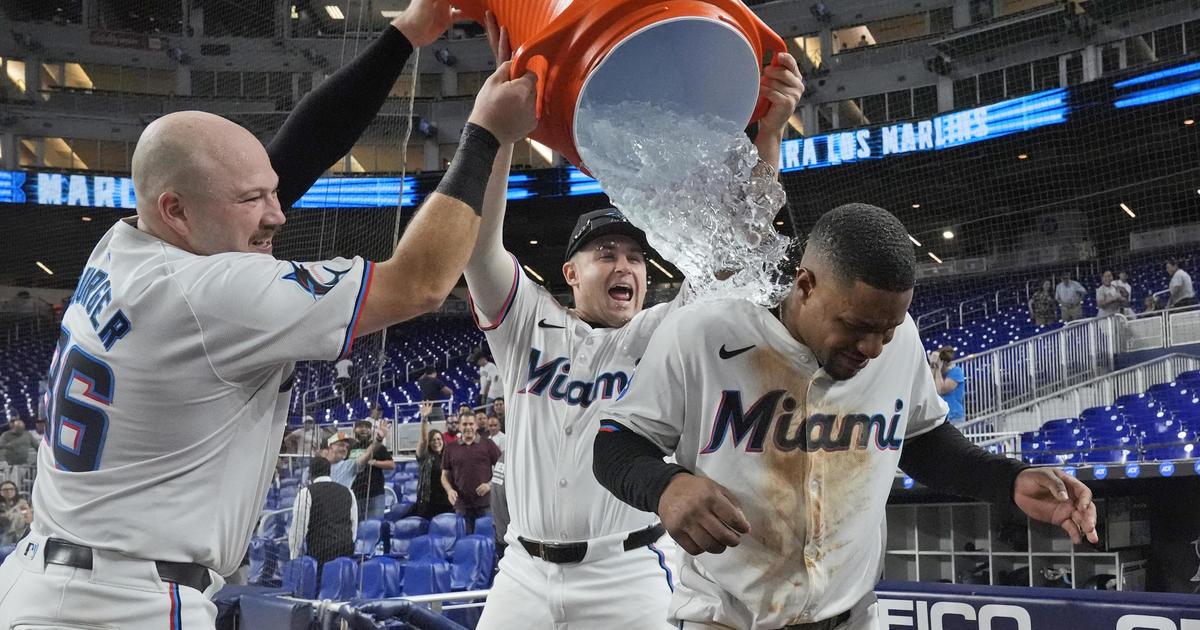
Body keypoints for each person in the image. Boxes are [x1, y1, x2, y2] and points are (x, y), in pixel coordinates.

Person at [0, 2, 539, 624]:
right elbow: (420, 283)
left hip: (48, 580)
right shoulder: (208, 294)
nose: (278, 213)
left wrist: (406, 36)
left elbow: (296, 154)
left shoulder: (124, 246)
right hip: (119, 607)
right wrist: (486, 134)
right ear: (177, 209)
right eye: (253, 199)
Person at [593, 203, 1099, 630]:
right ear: (806, 285)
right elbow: (615, 442)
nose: (874, 348)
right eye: (857, 326)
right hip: (727, 619)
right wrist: (664, 486)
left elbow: (921, 440)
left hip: (852, 617)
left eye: (889, 328)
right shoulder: (703, 332)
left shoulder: (900, 344)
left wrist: (1008, 479)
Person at [462, 13, 805, 630]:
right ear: (569, 273)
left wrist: (769, 133)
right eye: (606, 255)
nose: (627, 266)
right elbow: (480, 244)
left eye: (636, 257)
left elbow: (739, 258)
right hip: (523, 574)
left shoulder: (661, 332)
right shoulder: (524, 326)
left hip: (629, 574)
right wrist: (498, 130)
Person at [288, 457, 356, 573]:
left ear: (310, 474)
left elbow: (299, 527)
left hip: (319, 554)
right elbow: (353, 525)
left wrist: (294, 555)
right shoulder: (348, 492)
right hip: (345, 552)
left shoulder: (306, 492)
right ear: (329, 471)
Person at [441, 413, 501, 534]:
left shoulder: (488, 444)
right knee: (464, 545)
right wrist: (449, 490)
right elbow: (444, 475)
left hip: (486, 504)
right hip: (461, 506)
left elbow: (502, 468)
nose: (468, 427)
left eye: (471, 424)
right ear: (459, 427)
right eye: (464, 424)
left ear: (476, 426)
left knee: (487, 543)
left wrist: (489, 485)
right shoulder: (450, 448)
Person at [413, 402, 454, 520]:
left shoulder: (449, 457)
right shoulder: (424, 456)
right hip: (427, 504)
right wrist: (424, 418)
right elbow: (423, 441)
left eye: (438, 439)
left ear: (443, 440)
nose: (436, 442)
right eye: (433, 440)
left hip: (447, 503)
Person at [351, 412, 395, 521]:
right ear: (354, 430)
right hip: (355, 494)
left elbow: (391, 465)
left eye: (367, 427)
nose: (364, 429)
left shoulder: (379, 447)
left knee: (375, 526)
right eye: (360, 426)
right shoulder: (349, 448)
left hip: (375, 495)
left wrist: (375, 462)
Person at [929, 345, 966, 425]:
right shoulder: (938, 376)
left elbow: (942, 390)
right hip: (941, 419)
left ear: (943, 362)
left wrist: (937, 369)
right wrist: (932, 365)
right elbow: (928, 385)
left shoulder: (956, 372)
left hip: (954, 418)